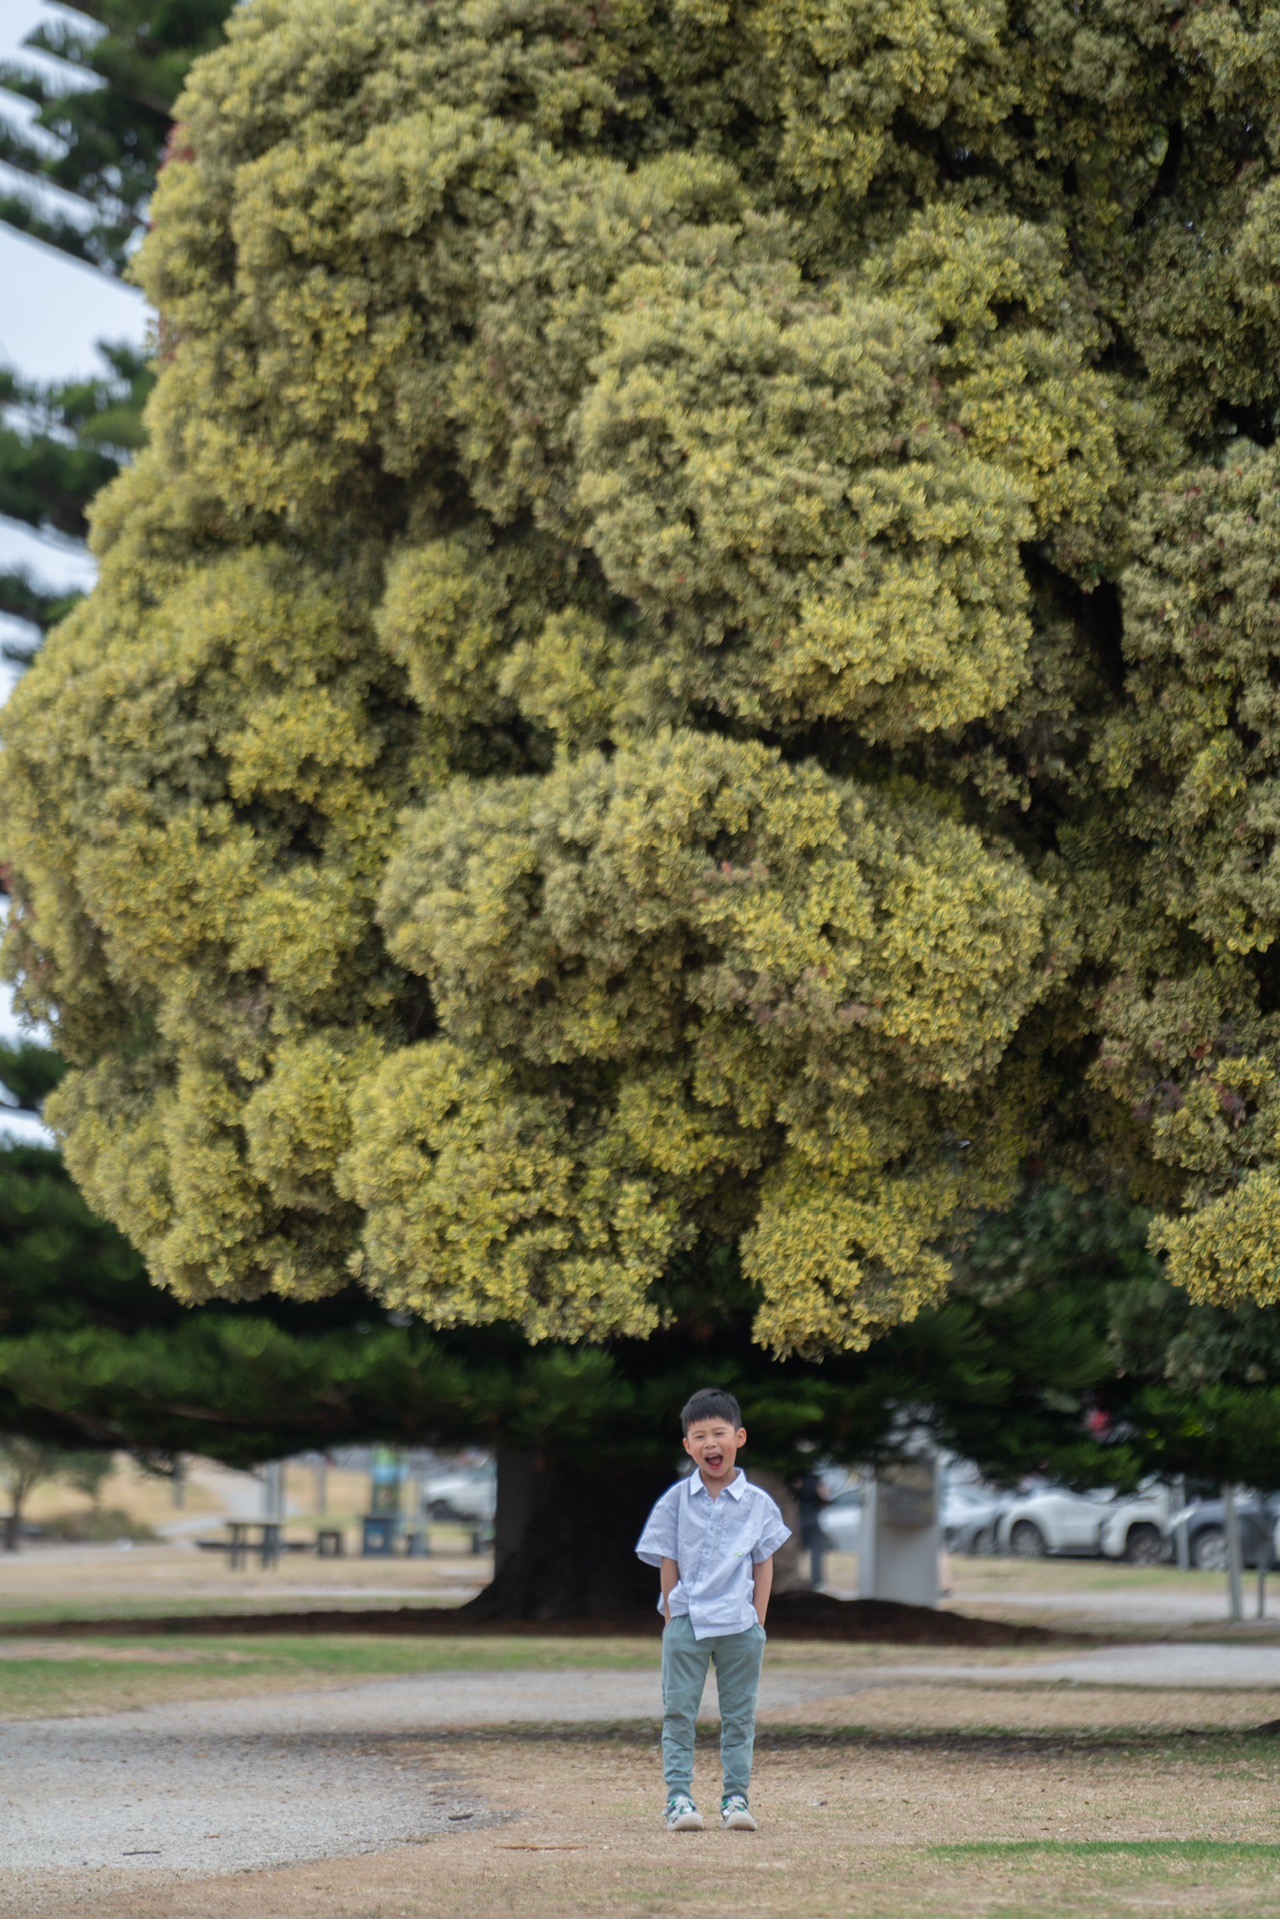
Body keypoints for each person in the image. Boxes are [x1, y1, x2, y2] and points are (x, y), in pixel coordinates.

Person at [635, 1387, 790, 1834]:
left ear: (739, 1437)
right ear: (687, 1446)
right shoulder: (675, 1500)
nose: (710, 1443)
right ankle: (679, 1800)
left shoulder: (759, 1504)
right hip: (687, 1621)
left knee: (740, 1717)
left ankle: (736, 1798)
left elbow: (765, 1561)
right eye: (699, 1436)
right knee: (678, 1713)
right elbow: (667, 1558)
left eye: (719, 1433)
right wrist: (671, 1618)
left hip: (740, 1624)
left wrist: (758, 1621)